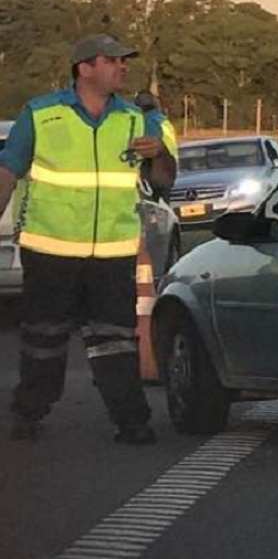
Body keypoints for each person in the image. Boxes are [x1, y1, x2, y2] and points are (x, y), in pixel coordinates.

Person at [0, 33, 177, 444]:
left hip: (113, 255)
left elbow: (165, 179)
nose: (123, 67)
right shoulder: (41, 114)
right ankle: (29, 412)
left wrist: (159, 155)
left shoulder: (136, 118)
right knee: (43, 339)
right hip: (52, 252)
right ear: (85, 68)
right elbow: (8, 171)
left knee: (116, 341)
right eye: (112, 60)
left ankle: (131, 420)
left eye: (123, 61)